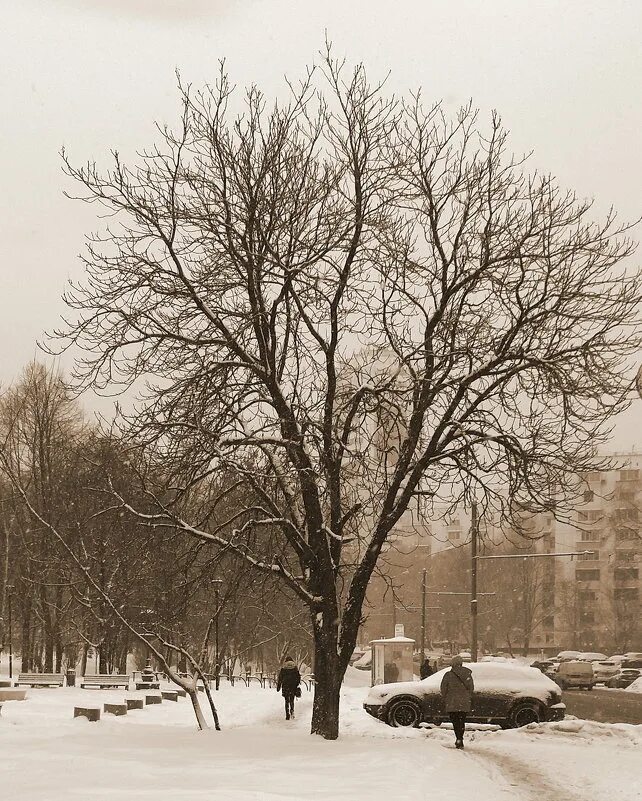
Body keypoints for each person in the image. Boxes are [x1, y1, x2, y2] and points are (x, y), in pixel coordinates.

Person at [440, 655, 474, 749]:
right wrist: (466, 696)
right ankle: (460, 739)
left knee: (455, 722)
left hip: (452, 702)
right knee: (461, 721)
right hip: (464, 702)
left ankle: (458, 738)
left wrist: (446, 697)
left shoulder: (448, 675)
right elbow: (471, 688)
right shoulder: (467, 674)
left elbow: (443, 688)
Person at [276, 655, 301, 720]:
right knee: (292, 700)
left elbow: (280, 678)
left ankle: (287, 715)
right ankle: (292, 712)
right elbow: (298, 677)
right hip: (293, 686)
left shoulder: (283, 669)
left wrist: (278, 687)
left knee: (286, 701)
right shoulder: (295, 668)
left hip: (285, 686)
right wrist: (296, 684)